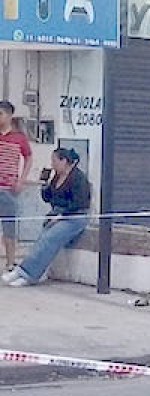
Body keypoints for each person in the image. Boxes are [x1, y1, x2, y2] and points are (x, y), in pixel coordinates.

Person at [2, 148, 90, 287]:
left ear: (64, 161)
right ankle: (33, 271)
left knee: (50, 238)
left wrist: (62, 215)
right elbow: (48, 198)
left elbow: (80, 202)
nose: (52, 164)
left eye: (54, 161)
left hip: (74, 217)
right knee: (42, 239)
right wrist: (44, 185)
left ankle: (27, 274)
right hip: (58, 214)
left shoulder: (78, 178)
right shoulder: (56, 177)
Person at [0, 100, 32, 270]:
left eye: (1, 114)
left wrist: (22, 179)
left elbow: (28, 157)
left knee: (9, 227)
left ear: (9, 116)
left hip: (8, 188)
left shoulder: (19, 138)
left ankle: (10, 261)